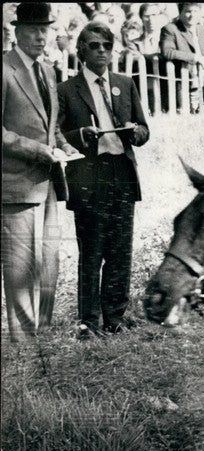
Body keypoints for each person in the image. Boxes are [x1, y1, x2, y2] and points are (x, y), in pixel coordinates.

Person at [58, 20, 150, 339]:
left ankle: (115, 317)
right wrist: (80, 135)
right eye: (94, 45)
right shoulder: (66, 90)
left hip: (121, 175)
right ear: (80, 51)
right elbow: (57, 137)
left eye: (106, 45)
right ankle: (89, 321)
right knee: (92, 250)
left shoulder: (125, 84)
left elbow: (143, 128)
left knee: (120, 250)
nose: (101, 51)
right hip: (89, 178)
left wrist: (137, 133)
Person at [2, 2, 78, 342]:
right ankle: (24, 351)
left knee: (49, 262)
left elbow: (52, 126)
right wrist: (38, 151)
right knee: (21, 269)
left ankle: (44, 340)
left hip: (49, 183)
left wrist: (65, 145)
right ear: (16, 31)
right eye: (33, 29)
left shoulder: (48, 70)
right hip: (16, 186)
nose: (41, 36)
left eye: (46, 29)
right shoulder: (4, 69)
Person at [159, 2, 204, 111]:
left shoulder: (202, 30)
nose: (192, 15)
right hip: (183, 81)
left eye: (195, 11)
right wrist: (195, 57)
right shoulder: (170, 29)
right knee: (185, 112)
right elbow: (167, 52)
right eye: (188, 11)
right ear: (180, 13)